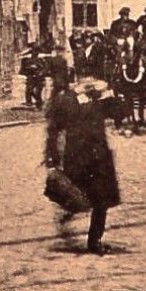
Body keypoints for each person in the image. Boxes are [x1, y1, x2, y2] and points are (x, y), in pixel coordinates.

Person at [44, 71, 121, 254]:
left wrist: (111, 94)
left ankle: (94, 241)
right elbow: (54, 128)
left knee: (101, 201)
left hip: (99, 157)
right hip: (77, 156)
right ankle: (67, 213)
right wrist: (52, 156)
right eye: (87, 79)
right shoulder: (67, 100)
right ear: (78, 80)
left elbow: (120, 113)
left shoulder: (100, 99)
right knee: (76, 195)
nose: (91, 82)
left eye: (93, 79)